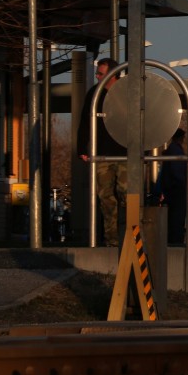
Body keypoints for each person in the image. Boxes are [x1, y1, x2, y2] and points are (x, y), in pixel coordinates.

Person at [77, 57, 127, 246]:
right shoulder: (94, 94)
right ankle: (112, 240)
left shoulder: (126, 91)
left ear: (113, 75)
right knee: (105, 197)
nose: (97, 77)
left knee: (127, 194)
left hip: (125, 152)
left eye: (100, 74)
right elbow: (85, 121)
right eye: (97, 74)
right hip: (102, 153)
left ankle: (132, 236)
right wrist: (82, 147)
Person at [151, 128, 188, 245]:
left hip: (172, 191)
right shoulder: (176, 152)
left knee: (173, 220)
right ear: (180, 138)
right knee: (177, 220)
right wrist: (184, 185)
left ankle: (173, 240)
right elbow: (177, 173)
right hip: (176, 192)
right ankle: (176, 242)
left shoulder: (172, 151)